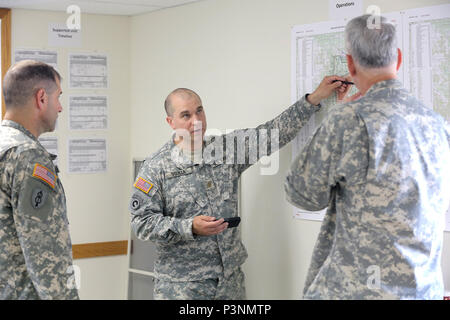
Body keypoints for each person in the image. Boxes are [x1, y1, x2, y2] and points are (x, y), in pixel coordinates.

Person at [129, 78, 350, 299]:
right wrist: (189, 227)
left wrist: (314, 99)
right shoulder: (156, 167)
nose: (196, 121)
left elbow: (271, 134)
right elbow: (141, 223)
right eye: (186, 115)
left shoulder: (226, 150)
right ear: (171, 121)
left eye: (200, 111)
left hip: (230, 282)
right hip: (182, 287)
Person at [285, 14, 450, 299]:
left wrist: (338, 117)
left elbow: (302, 194)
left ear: (350, 64)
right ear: (398, 58)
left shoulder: (348, 120)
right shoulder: (438, 124)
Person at [0, 60, 79, 299]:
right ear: (41, 98)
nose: (60, 108)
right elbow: (45, 252)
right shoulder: (28, 156)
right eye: (58, 98)